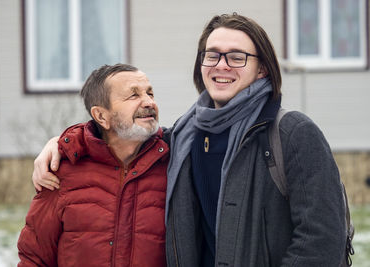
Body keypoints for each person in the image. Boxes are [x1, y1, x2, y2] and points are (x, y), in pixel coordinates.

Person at [32, 13, 347, 267]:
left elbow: (322, 239)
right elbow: (121, 134)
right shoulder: (185, 136)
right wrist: (62, 143)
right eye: (212, 55)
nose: (221, 65)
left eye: (237, 57)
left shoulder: (291, 132)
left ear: (262, 67)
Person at [18, 64, 169, 266]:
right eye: (133, 96)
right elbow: (34, 258)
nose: (149, 102)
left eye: (150, 93)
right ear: (101, 116)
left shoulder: (173, 161)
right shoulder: (63, 170)